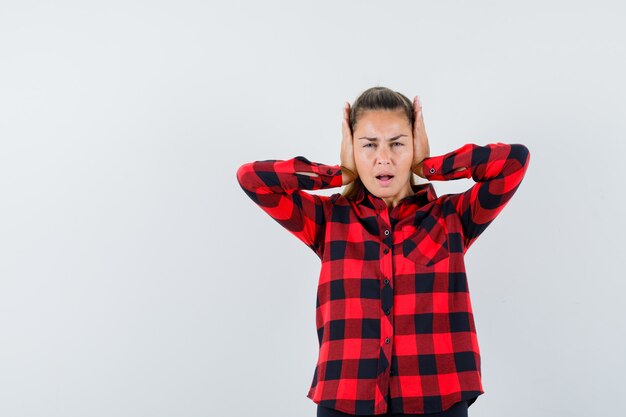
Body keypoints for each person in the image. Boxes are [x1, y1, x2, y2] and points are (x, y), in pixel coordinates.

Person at [236, 87, 531, 416]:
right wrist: (340, 173)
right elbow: (252, 179)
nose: (383, 158)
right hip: (347, 399)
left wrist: (429, 165)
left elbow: (513, 162)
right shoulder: (328, 220)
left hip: (436, 396)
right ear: (351, 147)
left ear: (414, 146)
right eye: (369, 145)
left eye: (397, 143)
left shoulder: (453, 216)